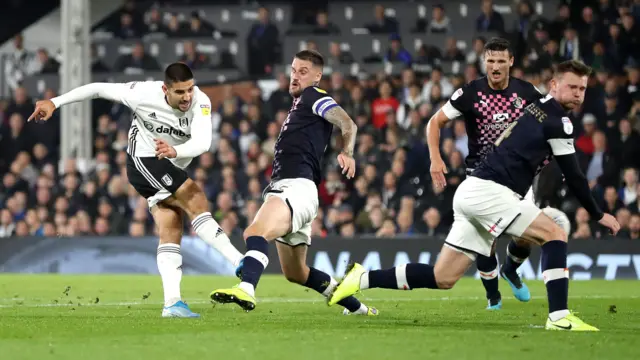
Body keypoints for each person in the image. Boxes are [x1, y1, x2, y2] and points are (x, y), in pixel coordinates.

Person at [328, 60, 620, 331]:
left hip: (474, 190)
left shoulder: (538, 107)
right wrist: (598, 214)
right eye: (572, 86)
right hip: (491, 192)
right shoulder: (559, 122)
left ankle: (361, 278)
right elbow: (575, 175)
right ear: (554, 85)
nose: (578, 94)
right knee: (555, 233)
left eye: (582, 89)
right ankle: (558, 316)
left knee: (442, 278)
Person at [28, 63, 244, 318]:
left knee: (171, 224)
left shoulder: (201, 101)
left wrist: (176, 151)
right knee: (194, 196)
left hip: (170, 161)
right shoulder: (142, 94)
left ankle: (172, 303)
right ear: (166, 89)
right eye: (180, 92)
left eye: (189, 89)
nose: (187, 97)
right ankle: (239, 261)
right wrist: (55, 102)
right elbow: (97, 88)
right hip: (143, 160)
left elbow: (203, 143)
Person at [210, 50, 377, 316]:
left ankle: (246, 288)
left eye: (303, 71)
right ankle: (359, 308)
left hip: (295, 188)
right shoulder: (300, 105)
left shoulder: (314, 97)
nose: (295, 76)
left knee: (254, 233)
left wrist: (348, 152)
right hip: (298, 191)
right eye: (293, 70)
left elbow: (347, 123)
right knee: (296, 273)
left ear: (317, 77)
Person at [426, 37, 570, 310]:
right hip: (481, 176)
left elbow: (551, 124)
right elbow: (435, 122)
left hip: (517, 177)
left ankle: (511, 270)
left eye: (500, 61)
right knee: (485, 243)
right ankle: (493, 295)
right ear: (484, 62)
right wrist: (435, 158)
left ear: (511, 62)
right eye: (490, 60)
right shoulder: (470, 93)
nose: (495, 66)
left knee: (526, 238)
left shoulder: (527, 92)